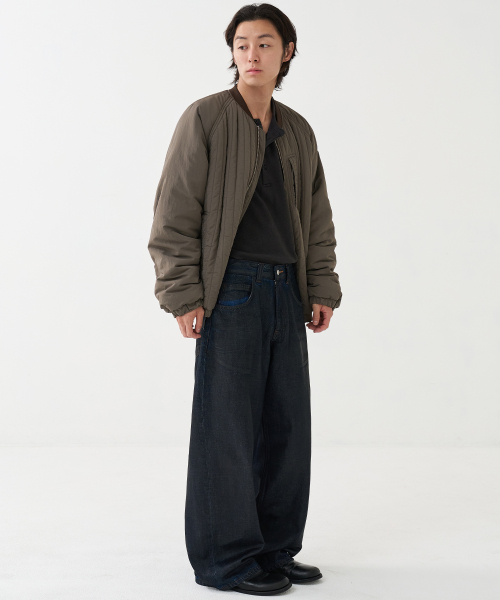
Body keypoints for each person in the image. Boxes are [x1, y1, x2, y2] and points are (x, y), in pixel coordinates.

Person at [148, 3, 342, 595]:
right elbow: (175, 212)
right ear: (232, 53)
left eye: (264, 44)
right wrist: (182, 293)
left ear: (287, 53)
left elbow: (318, 219)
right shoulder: (206, 117)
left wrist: (321, 285)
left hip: (287, 290)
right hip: (230, 291)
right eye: (241, 44)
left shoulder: (297, 129)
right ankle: (226, 561)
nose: (251, 55)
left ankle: (275, 550)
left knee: (287, 429)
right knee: (228, 430)